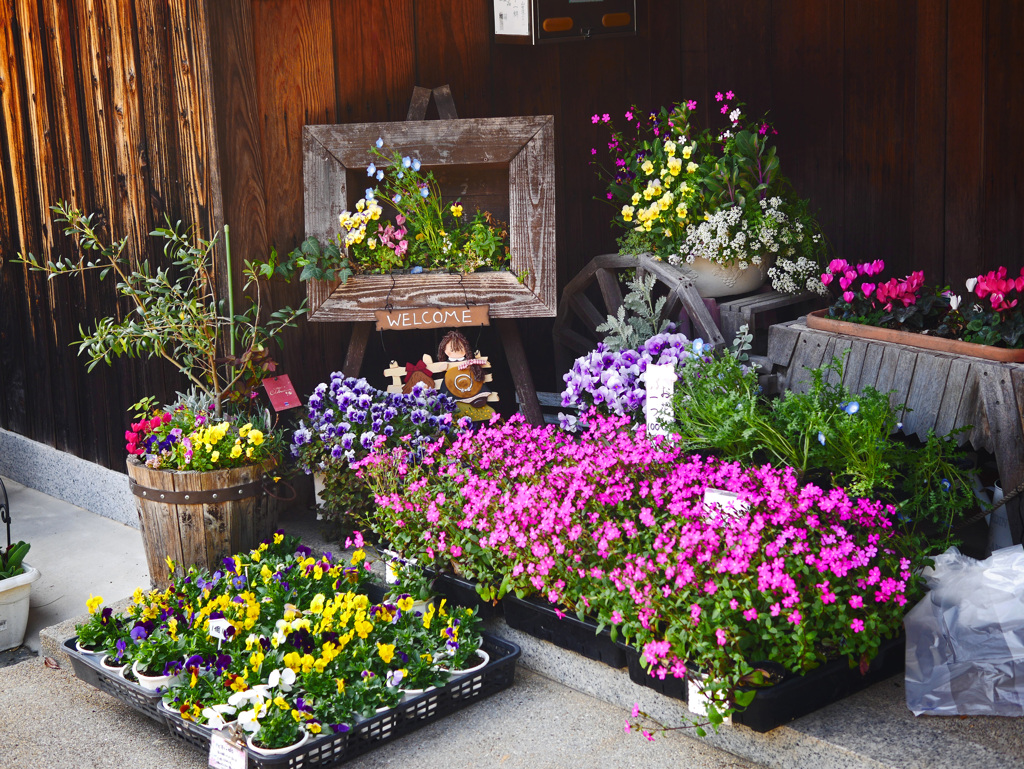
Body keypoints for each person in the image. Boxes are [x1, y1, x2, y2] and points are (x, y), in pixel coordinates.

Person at [437, 330, 495, 421]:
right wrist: (443, 367)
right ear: (445, 351)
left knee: (477, 384)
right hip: (452, 384)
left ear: (465, 349)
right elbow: (442, 368)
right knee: (448, 391)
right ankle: (452, 403)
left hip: (469, 383)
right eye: (452, 350)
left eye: (459, 348)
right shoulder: (449, 362)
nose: (456, 351)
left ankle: (478, 399)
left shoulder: (469, 362)